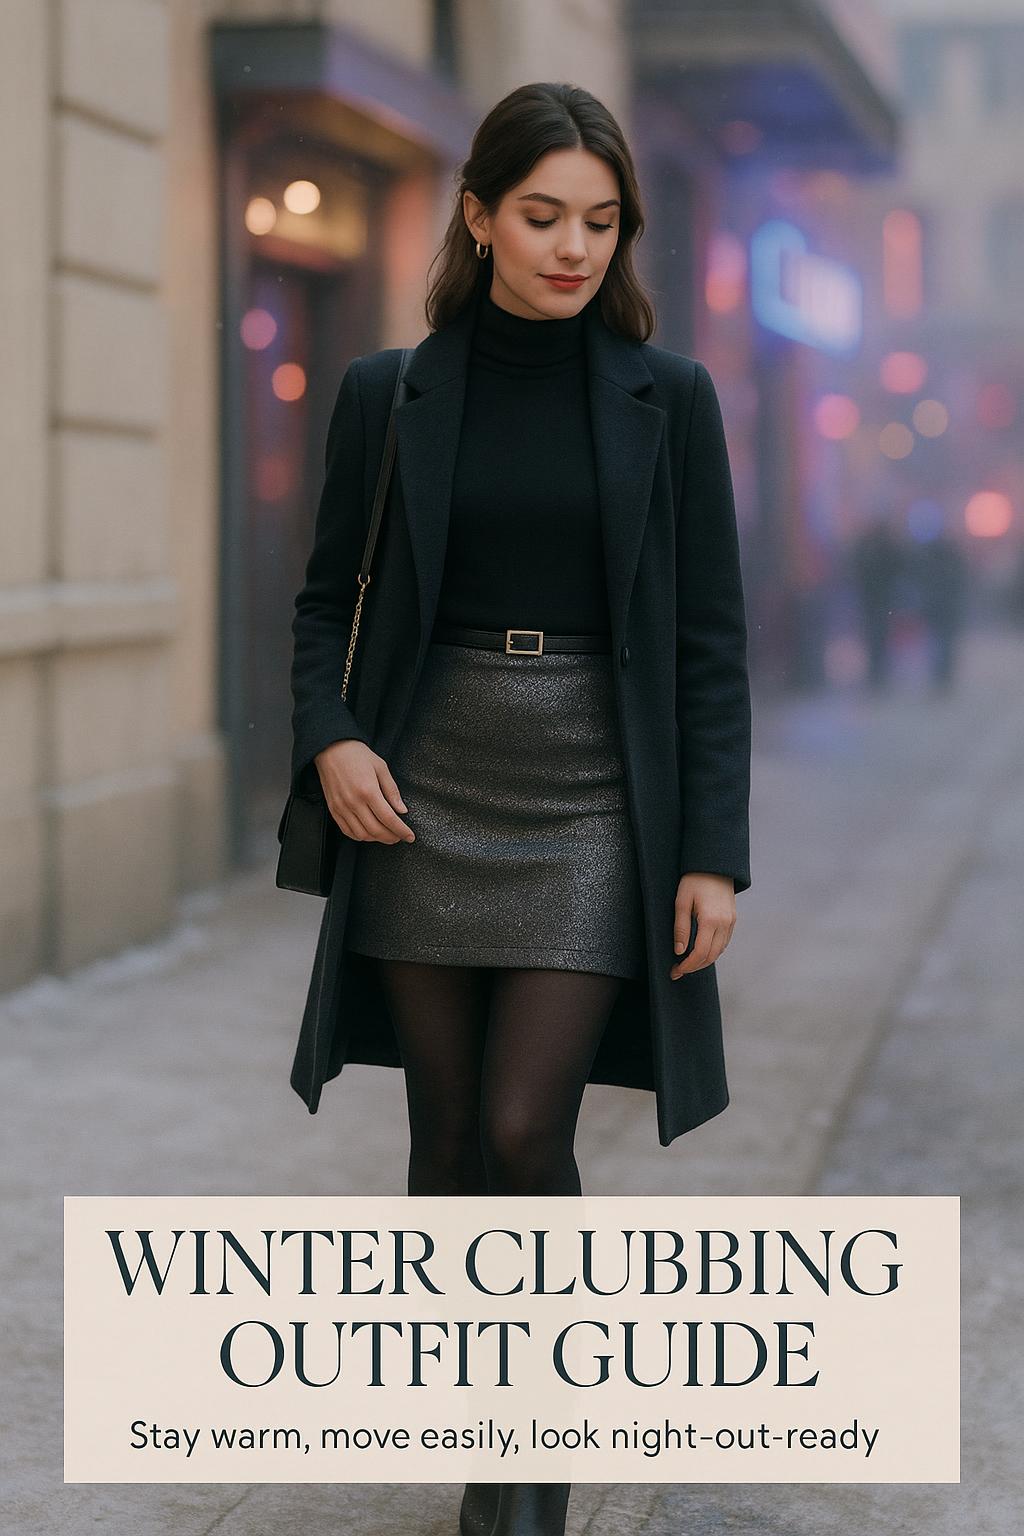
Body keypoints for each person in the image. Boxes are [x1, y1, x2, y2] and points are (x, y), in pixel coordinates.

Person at [287, 82, 752, 1536]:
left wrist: (715, 857)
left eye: (601, 224)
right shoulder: (390, 390)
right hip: (423, 786)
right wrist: (333, 739)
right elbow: (315, 611)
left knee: (523, 1129)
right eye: (543, 216)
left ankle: (528, 1486)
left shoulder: (667, 398)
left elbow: (709, 642)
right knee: (442, 1148)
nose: (573, 249)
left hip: (596, 791)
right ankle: (493, 1441)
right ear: (478, 215)